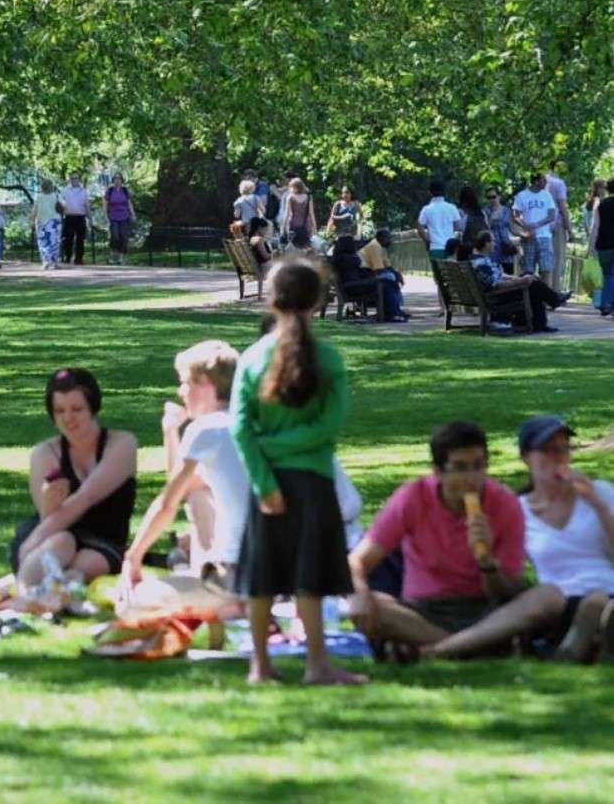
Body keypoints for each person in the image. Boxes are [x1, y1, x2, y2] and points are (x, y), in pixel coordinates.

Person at [230, 259, 364, 684]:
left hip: (265, 483)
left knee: (262, 575)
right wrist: (287, 449)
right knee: (311, 574)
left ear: (271, 300)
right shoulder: (329, 358)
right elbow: (328, 425)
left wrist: (265, 475)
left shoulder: (251, 358)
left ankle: (260, 666)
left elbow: (239, 427)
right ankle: (318, 665)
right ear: (318, 301)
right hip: (313, 481)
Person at [349, 421, 566, 662]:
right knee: (372, 605)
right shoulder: (414, 497)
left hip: (486, 609)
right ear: (439, 471)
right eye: (460, 468)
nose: (471, 478)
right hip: (424, 611)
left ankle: (436, 650)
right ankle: (478, 647)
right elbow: (357, 561)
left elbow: (507, 589)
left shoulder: (504, 503)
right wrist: (358, 596)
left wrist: (487, 562)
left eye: (478, 466)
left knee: (550, 596)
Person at [124, 341, 249, 587]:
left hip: (239, 568)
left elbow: (168, 502)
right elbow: (186, 484)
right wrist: (170, 432)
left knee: (140, 597)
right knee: (199, 494)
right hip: (281, 565)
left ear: (205, 383)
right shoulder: (252, 422)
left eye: (185, 383)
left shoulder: (206, 428)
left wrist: (133, 556)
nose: (181, 392)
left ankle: (203, 580)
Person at [11, 367, 138, 591]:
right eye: (59, 411)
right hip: (55, 534)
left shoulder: (122, 444)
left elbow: (86, 497)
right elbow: (48, 518)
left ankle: (53, 591)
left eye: (77, 409)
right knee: (62, 542)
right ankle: (25, 592)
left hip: (103, 539)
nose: (68, 418)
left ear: (93, 407)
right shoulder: (45, 453)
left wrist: (32, 543)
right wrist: (50, 503)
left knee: (88, 562)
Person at [517, 415, 614, 661]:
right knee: (594, 603)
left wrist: (598, 505)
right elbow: (508, 572)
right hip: (562, 601)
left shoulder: (600, 492)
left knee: (600, 601)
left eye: (563, 449)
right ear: (526, 457)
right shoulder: (519, 511)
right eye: (547, 451)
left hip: (610, 589)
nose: (557, 458)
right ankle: (591, 641)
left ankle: (585, 645)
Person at [469, 231, 563, 333]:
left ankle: (548, 310)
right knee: (534, 285)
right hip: (497, 296)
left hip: (498, 292)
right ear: (486, 243)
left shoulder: (481, 259)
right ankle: (554, 302)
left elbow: (499, 276)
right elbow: (496, 285)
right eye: (493, 241)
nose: (495, 244)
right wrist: (521, 282)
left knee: (530, 276)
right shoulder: (480, 263)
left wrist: (519, 279)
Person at [331, 234, 406, 322]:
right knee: (387, 283)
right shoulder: (349, 259)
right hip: (354, 287)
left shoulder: (339, 258)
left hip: (351, 286)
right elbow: (358, 270)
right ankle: (391, 314)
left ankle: (393, 312)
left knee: (387, 282)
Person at [512, 172, 558, 283]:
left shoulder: (547, 195)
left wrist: (537, 224)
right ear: (536, 181)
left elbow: (552, 216)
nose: (545, 182)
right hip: (529, 237)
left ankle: (546, 296)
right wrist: (524, 225)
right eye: (543, 180)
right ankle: (530, 297)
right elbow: (515, 215)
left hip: (544, 236)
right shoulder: (522, 195)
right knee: (528, 270)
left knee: (546, 269)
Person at [586, 177, 614, 317]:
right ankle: (610, 304)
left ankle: (605, 304)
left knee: (607, 275)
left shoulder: (601, 204)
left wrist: (591, 245)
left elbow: (595, 226)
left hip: (603, 244)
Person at [417, 181, 463, 261]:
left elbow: (420, 227)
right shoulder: (452, 207)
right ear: (444, 192)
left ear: (430, 192)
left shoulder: (427, 209)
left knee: (438, 273)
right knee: (450, 273)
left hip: (435, 247)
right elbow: (458, 226)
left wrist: (427, 240)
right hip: (450, 248)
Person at [545, 161, 572, 291]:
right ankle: (555, 290)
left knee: (545, 258)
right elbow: (562, 206)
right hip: (557, 223)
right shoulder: (559, 183)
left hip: (541, 225)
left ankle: (545, 289)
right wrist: (569, 228)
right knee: (558, 257)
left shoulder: (540, 182)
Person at [483, 186, 517, 274]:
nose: (491, 200)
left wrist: (523, 234)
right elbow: (485, 228)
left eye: (493, 197)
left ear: (499, 196)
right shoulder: (485, 211)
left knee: (509, 271)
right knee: (494, 272)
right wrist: (492, 219)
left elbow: (511, 228)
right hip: (493, 246)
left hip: (505, 245)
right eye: (489, 197)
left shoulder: (507, 210)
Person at [30, 178, 63, 270]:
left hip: (41, 223)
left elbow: (34, 211)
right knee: (55, 242)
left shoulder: (38, 197)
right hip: (55, 223)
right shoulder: (56, 195)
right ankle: (55, 262)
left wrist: (31, 220)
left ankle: (46, 262)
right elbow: (64, 206)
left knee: (43, 243)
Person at [59, 172, 90, 266]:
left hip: (80, 216)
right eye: (72, 178)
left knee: (81, 238)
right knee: (68, 238)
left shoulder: (84, 191)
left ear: (79, 180)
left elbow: (87, 204)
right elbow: (60, 201)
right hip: (69, 216)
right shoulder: (65, 190)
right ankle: (68, 257)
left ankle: (79, 258)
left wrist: (89, 217)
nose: (74, 180)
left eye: (76, 178)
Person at [103, 173, 135, 265]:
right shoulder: (110, 191)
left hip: (124, 216)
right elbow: (105, 204)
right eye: (115, 179)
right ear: (113, 180)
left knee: (123, 237)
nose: (117, 180)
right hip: (113, 217)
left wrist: (133, 214)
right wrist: (105, 216)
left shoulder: (125, 191)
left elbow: (129, 203)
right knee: (115, 236)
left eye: (119, 179)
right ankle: (112, 256)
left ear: (122, 180)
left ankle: (121, 257)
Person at [280, 177, 317, 250]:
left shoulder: (290, 197)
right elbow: (311, 213)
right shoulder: (308, 197)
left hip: (293, 225)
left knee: (294, 248)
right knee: (305, 248)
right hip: (306, 226)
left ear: (295, 187)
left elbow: (287, 214)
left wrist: (283, 227)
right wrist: (315, 226)